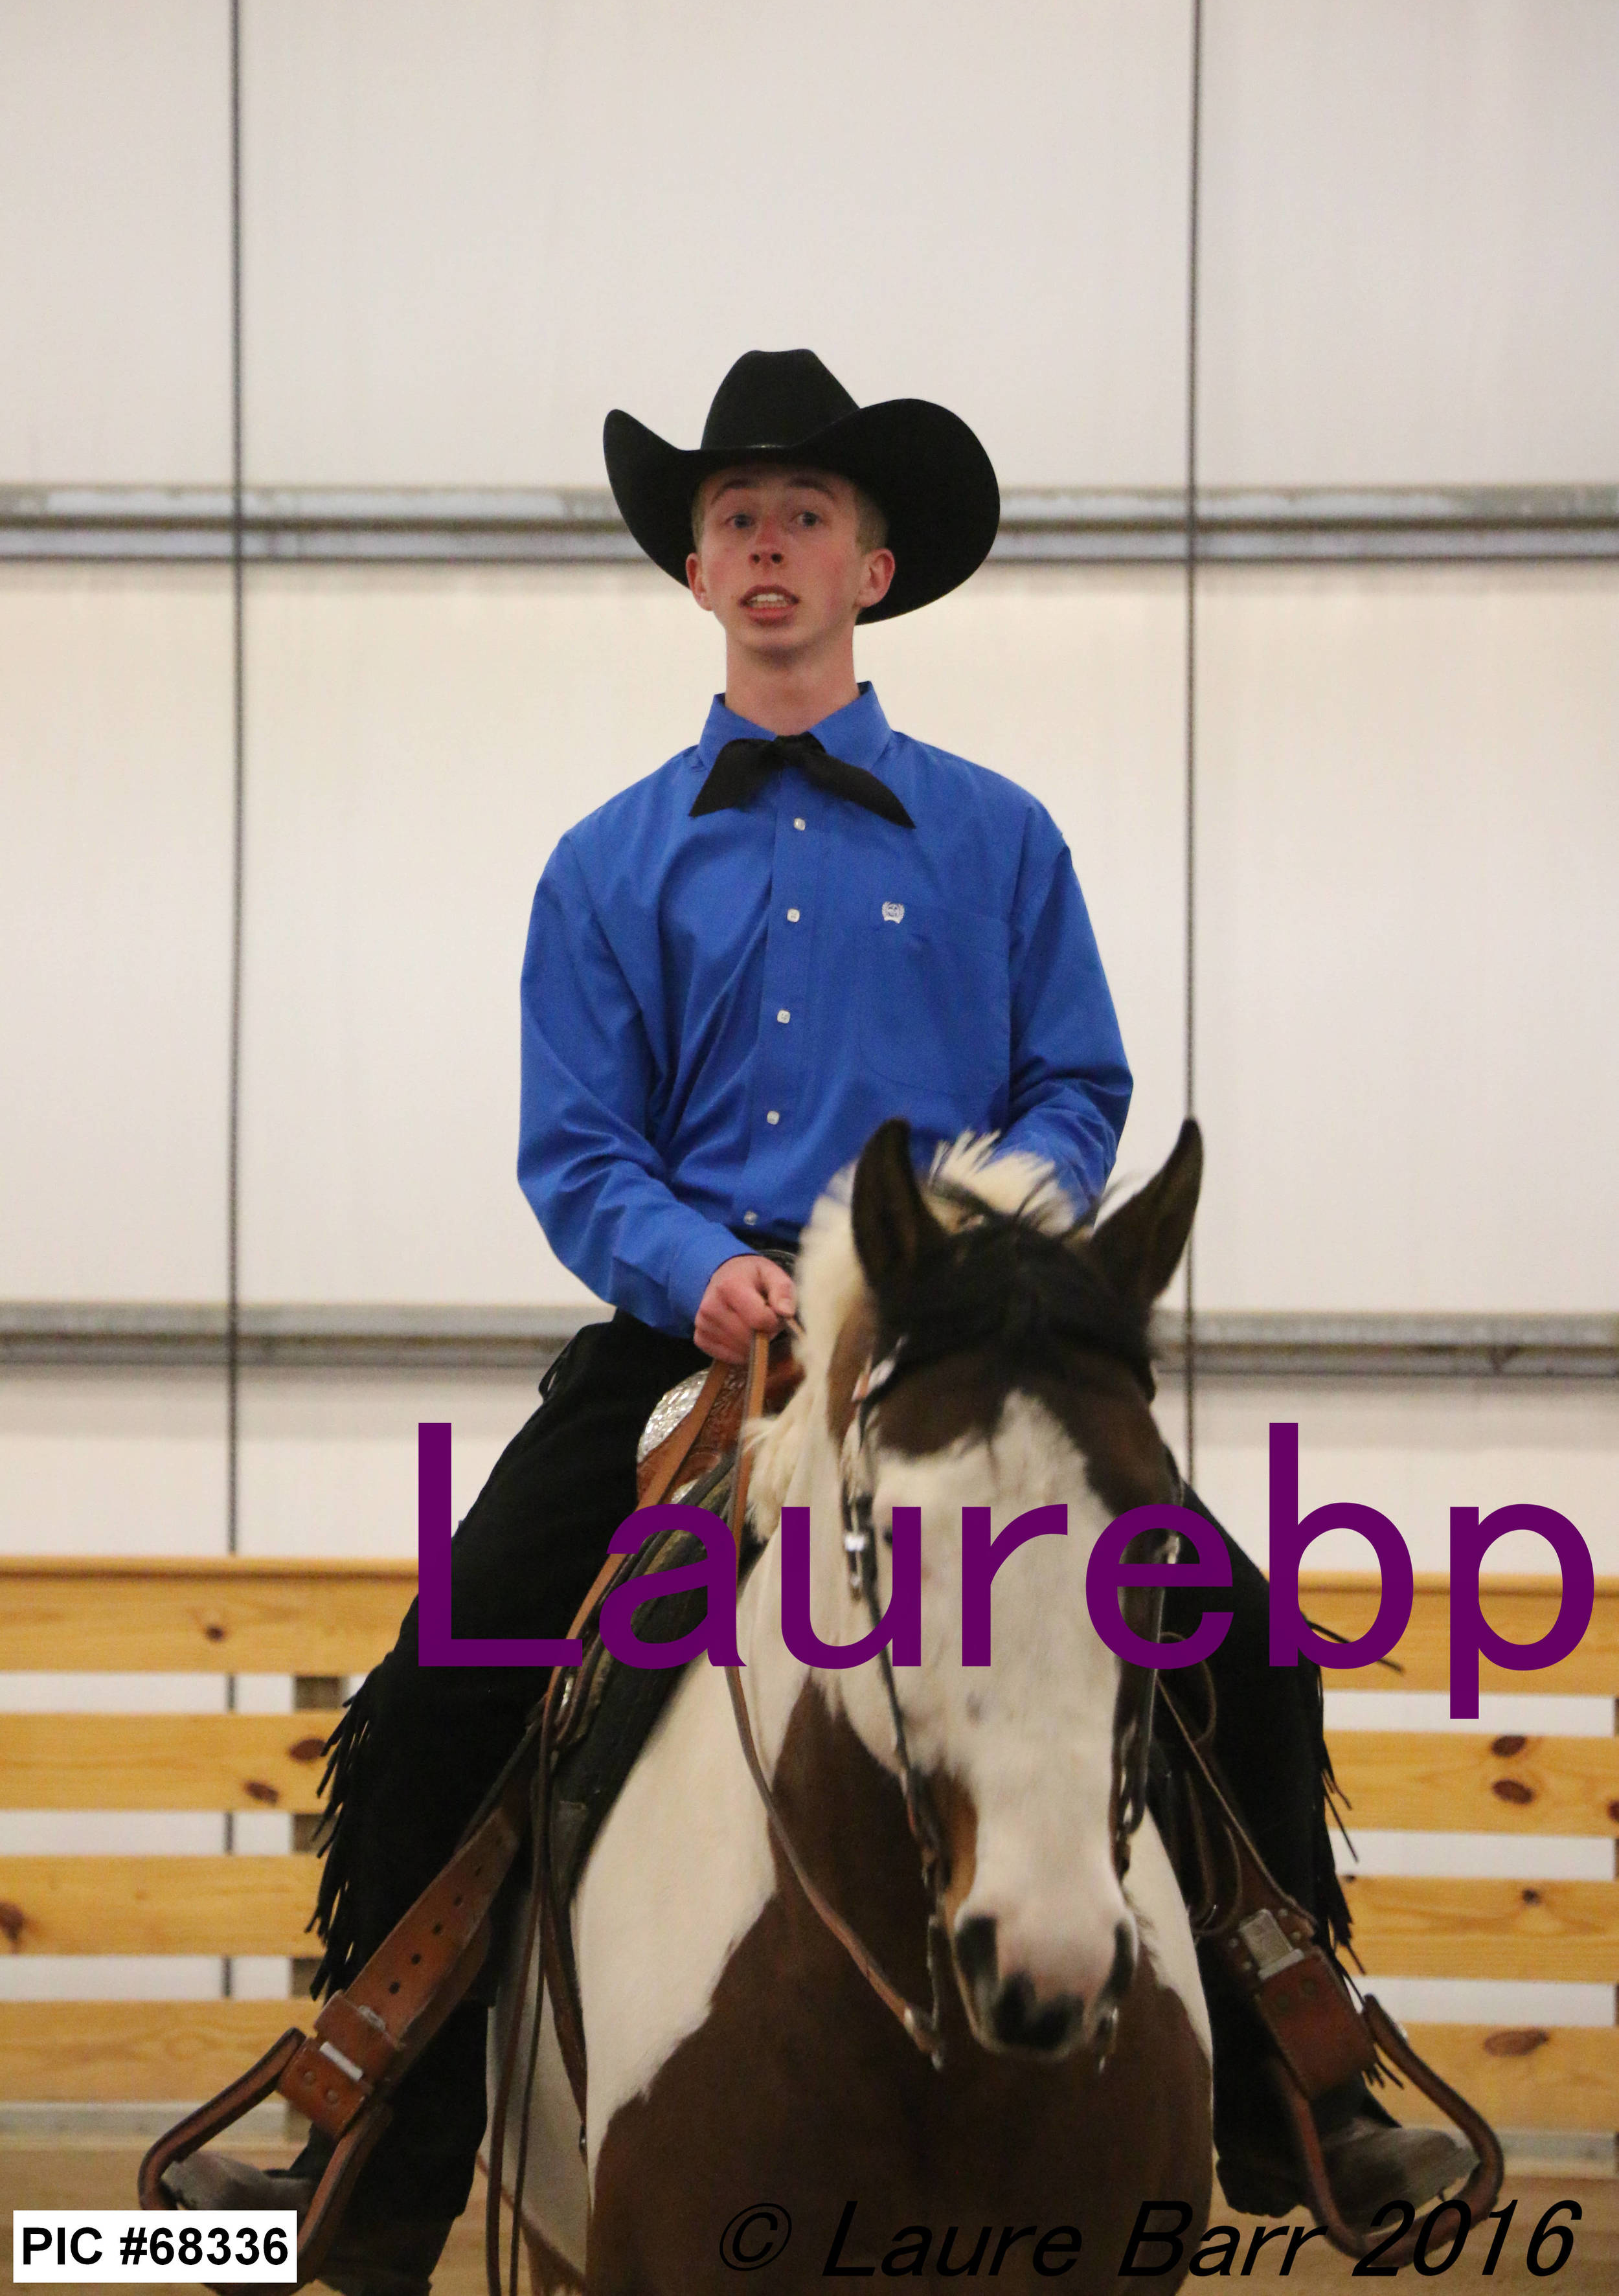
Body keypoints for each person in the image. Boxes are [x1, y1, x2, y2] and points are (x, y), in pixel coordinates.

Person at [172, 350, 1462, 2291]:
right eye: (735, 519)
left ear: (872, 568)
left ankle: (1296, 2075)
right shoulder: (604, 863)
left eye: (803, 515)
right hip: (696, 1342)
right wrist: (693, 1264)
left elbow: (1078, 1086)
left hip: (952, 1336)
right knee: (448, 1670)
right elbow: (577, 1145)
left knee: (1241, 1636)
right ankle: (373, 2140)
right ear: (697, 573)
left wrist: (969, 1234)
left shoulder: (1002, 839)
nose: (767, 544)